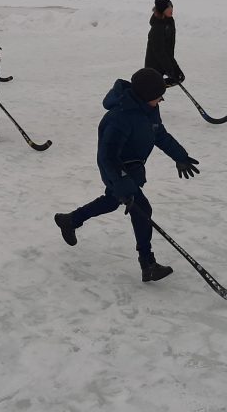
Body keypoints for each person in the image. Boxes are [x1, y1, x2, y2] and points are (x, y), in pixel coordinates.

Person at [53, 68, 200, 282]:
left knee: (112, 202)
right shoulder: (120, 117)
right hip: (116, 170)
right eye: (158, 96)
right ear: (145, 96)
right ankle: (147, 264)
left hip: (133, 168)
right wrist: (122, 184)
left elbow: (159, 134)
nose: (161, 100)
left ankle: (70, 220)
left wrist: (180, 156)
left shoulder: (149, 109)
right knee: (142, 210)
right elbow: (108, 156)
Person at [144, 0, 184, 86]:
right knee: (154, 86)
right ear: (162, 10)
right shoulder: (157, 28)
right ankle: (153, 88)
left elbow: (168, 49)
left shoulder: (169, 22)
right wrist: (170, 70)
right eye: (168, 8)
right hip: (155, 65)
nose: (171, 9)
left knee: (179, 77)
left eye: (171, 6)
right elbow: (160, 52)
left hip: (166, 60)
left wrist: (173, 66)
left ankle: (156, 87)